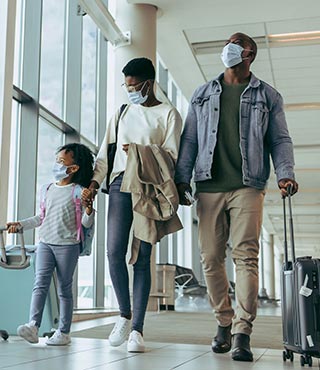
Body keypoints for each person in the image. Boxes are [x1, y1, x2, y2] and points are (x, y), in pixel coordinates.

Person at [174, 32, 298, 362]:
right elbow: (189, 141)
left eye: (234, 47)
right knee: (211, 258)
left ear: (249, 55)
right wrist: (180, 177)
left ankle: (242, 330)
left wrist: (286, 173)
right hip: (209, 186)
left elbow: (280, 140)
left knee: (246, 256)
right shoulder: (202, 93)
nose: (226, 50)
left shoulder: (267, 96)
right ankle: (223, 321)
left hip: (248, 184)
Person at [85, 57, 182, 353]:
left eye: (133, 85)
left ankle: (137, 329)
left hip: (148, 189)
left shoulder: (169, 114)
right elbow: (105, 153)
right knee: (114, 251)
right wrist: (92, 183)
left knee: (142, 257)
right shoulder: (123, 112)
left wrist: (141, 152)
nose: (129, 90)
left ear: (148, 83)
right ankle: (124, 315)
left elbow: (172, 158)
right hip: (118, 185)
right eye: (126, 85)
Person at [7, 143, 95, 346]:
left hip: (68, 246)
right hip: (45, 243)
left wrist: (89, 209)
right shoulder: (47, 189)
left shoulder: (79, 192)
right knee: (40, 284)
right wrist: (21, 224)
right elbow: (41, 217)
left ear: (73, 168)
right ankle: (33, 325)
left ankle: (63, 332)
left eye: (61, 161)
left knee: (64, 289)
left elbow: (86, 223)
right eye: (57, 161)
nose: (56, 165)